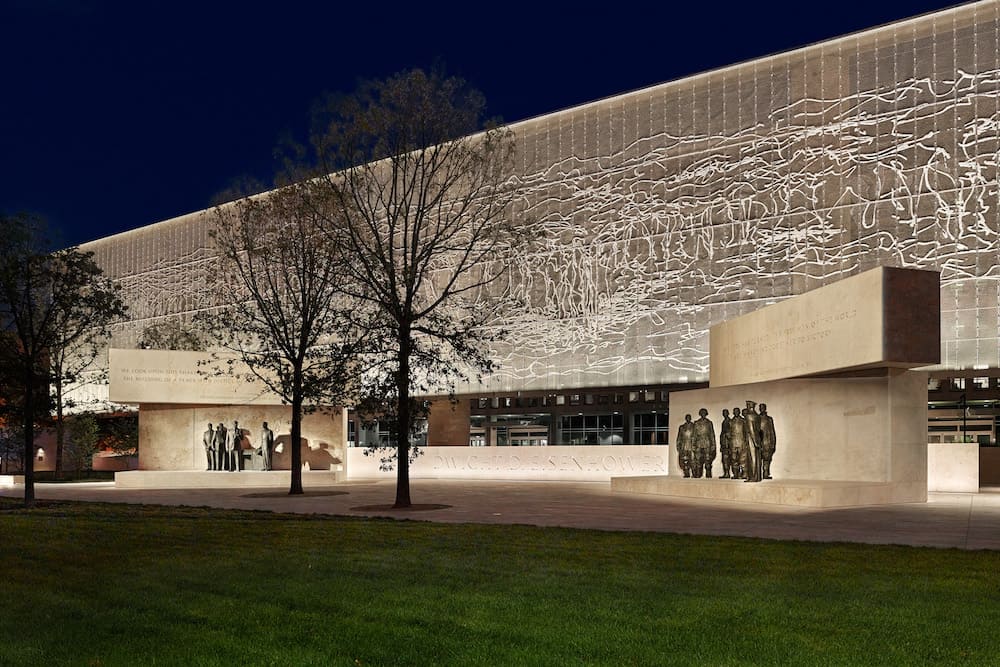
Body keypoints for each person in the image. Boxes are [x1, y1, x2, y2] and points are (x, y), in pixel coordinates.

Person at [692, 408, 716, 478]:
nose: (703, 414)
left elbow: (712, 434)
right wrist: (693, 444)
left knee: (708, 460)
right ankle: (699, 474)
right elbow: (694, 435)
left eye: (704, 413)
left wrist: (713, 445)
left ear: (706, 414)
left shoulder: (709, 423)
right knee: (698, 460)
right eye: (702, 413)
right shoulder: (696, 423)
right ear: (700, 414)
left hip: (707, 443)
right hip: (699, 443)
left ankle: (708, 474)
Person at [744, 401, 762, 483]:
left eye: (747, 405)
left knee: (751, 458)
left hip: (751, 438)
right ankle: (757, 476)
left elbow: (751, 429)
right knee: (756, 458)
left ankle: (752, 477)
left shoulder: (748, 416)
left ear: (749, 406)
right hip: (757, 438)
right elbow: (758, 429)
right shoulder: (757, 416)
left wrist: (754, 441)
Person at [729, 407, 748, 480]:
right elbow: (729, 433)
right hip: (733, 443)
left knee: (743, 459)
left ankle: (744, 473)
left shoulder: (743, 421)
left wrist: (746, 442)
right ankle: (736, 474)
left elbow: (746, 433)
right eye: (735, 411)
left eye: (737, 411)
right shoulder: (730, 422)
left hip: (741, 442)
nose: (736, 413)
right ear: (733, 413)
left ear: (739, 412)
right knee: (734, 459)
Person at [759, 403, 777, 479]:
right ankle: (758, 474)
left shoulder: (769, 419)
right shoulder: (757, 419)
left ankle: (765, 473)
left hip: (767, 442)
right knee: (759, 459)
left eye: (763, 408)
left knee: (767, 459)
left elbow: (772, 431)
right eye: (760, 408)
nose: (761, 409)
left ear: (765, 408)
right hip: (759, 442)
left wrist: (773, 443)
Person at [719, 409, 733, 478]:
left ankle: (728, 473)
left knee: (728, 459)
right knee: (725, 459)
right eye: (723, 413)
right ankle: (726, 473)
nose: (724, 414)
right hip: (724, 443)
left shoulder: (730, 422)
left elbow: (730, 433)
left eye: (725, 413)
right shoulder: (724, 422)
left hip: (728, 444)